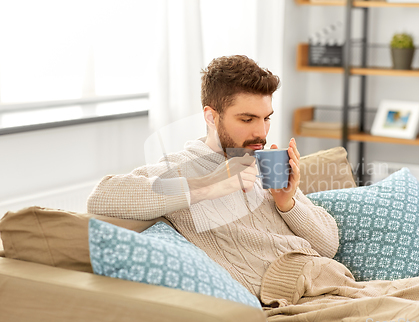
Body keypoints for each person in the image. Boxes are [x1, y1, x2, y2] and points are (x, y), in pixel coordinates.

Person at [87, 55, 339, 298]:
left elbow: (328, 246)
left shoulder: (266, 162)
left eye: (266, 118)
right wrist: (211, 184)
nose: (261, 132)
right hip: (286, 297)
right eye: (247, 119)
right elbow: (101, 197)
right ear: (211, 116)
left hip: (330, 283)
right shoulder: (183, 166)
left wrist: (288, 204)